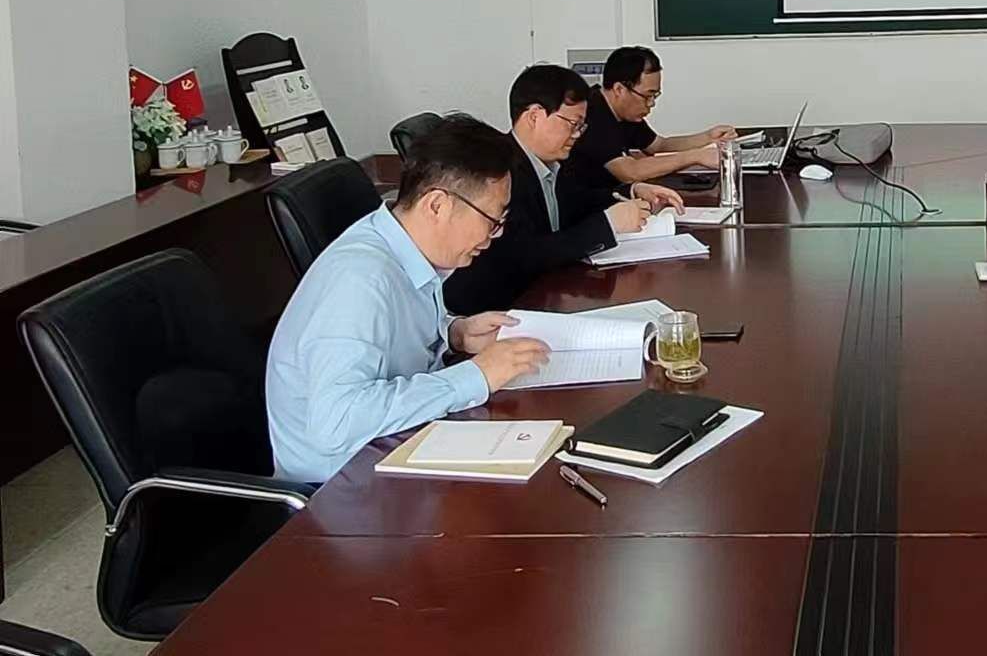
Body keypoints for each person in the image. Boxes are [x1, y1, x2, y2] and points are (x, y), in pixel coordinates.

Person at [266, 114, 552, 484]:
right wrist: (474, 376)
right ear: (437, 205)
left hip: (395, 446)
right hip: (340, 487)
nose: (493, 236)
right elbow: (335, 422)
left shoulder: (405, 247)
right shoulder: (359, 282)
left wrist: (455, 333)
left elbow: (387, 333)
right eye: (492, 220)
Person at [443, 64, 684, 315]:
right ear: (534, 116)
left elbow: (576, 202)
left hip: (543, 296)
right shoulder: (498, 174)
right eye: (572, 124)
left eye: (581, 126)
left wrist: (632, 191)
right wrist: (607, 224)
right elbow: (525, 255)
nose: (577, 135)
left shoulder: (550, 162)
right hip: (497, 309)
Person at [562, 45, 738, 193]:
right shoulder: (592, 112)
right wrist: (694, 156)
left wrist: (708, 137)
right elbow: (630, 172)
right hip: (587, 207)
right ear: (619, 89)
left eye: (655, 96)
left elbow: (659, 145)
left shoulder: (626, 113)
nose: (651, 103)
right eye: (647, 96)